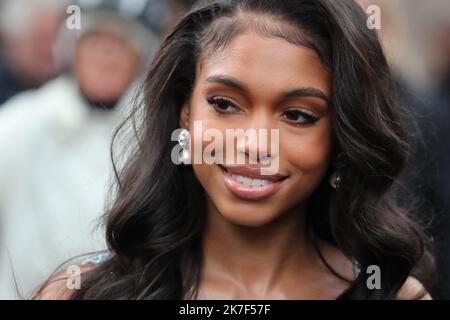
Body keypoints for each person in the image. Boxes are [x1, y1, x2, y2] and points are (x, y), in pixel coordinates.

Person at [35, 0, 434, 300]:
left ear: (342, 135)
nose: (255, 145)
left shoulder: (396, 296)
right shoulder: (80, 293)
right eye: (224, 105)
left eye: (297, 115)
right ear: (185, 112)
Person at [0, 1, 162, 299]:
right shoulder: (17, 127)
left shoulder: (155, 134)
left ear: (140, 58)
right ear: (71, 50)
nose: (105, 56)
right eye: (94, 40)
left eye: (120, 43)